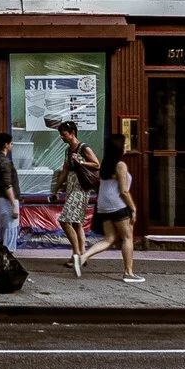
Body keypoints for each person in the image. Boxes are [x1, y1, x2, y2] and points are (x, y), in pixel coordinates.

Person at [93, 131, 142, 283]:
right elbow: (124, 191)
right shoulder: (120, 165)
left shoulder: (106, 164)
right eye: (125, 143)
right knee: (127, 238)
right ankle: (128, 272)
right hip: (118, 206)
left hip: (104, 206)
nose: (127, 146)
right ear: (119, 148)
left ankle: (82, 257)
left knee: (109, 238)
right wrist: (133, 208)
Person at [54, 119, 100, 277]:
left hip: (81, 188)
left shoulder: (83, 147)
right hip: (71, 186)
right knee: (76, 222)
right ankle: (82, 253)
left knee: (64, 220)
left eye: (64, 134)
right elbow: (64, 171)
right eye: (61, 134)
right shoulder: (68, 150)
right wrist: (55, 190)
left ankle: (76, 254)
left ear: (72, 133)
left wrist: (81, 162)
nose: (62, 137)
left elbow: (96, 164)